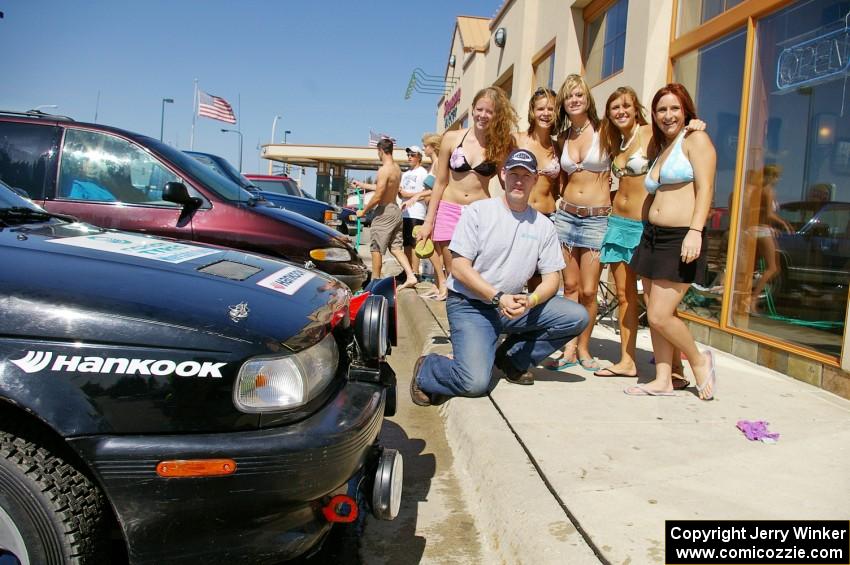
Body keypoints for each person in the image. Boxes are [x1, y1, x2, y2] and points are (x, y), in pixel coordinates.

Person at [409, 149, 589, 405]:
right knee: (474, 383)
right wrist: (497, 297)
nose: (518, 181)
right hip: (471, 306)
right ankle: (429, 367)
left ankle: (512, 359)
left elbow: (552, 279)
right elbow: (459, 266)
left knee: (576, 316)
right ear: (503, 175)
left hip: (512, 306)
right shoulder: (478, 212)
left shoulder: (543, 226)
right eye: (513, 173)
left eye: (525, 176)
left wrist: (532, 300)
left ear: (535, 179)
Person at [595, 86, 702, 389]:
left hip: (644, 226)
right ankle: (627, 361)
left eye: (626, 105)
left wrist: (695, 124)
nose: (621, 111)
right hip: (617, 223)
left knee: (660, 303)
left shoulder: (649, 134)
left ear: (638, 108)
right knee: (625, 295)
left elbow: (680, 138)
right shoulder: (615, 141)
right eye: (614, 107)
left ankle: (678, 367)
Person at [626, 83, 717, 399]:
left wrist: (695, 231)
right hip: (652, 237)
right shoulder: (660, 147)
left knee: (659, 314)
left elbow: (705, 189)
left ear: (686, 110)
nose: (668, 115)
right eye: (662, 109)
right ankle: (664, 377)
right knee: (655, 313)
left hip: (680, 237)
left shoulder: (696, 139)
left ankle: (698, 360)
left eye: (675, 108)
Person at [417, 87, 517, 277]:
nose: (483, 115)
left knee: (476, 272)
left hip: (479, 213)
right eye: (480, 109)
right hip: (449, 210)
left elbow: (507, 184)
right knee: (453, 272)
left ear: (496, 115)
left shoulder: (500, 145)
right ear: (472, 109)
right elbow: (440, 183)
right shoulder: (452, 138)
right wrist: (428, 222)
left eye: (489, 111)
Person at [550, 74, 611, 371]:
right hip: (566, 217)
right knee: (569, 286)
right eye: (569, 96)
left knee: (589, 290)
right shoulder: (563, 137)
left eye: (579, 94)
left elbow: (641, 137)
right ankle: (569, 348)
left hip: (596, 219)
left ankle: (584, 347)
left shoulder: (605, 131)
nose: (575, 100)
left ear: (588, 98)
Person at [354, 138, 418, 289]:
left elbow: (378, 195)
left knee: (376, 248)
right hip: (396, 210)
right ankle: (411, 275)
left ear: (381, 151)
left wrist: (363, 210)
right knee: (395, 248)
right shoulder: (396, 168)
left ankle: (374, 283)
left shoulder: (383, 170)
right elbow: (384, 187)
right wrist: (362, 185)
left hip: (384, 212)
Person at [742, 164, 791, 314]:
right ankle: (753, 299)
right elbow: (769, 214)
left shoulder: (757, 190)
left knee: (752, 268)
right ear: (773, 177)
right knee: (774, 268)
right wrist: (784, 223)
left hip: (754, 230)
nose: (779, 179)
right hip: (762, 231)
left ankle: (742, 298)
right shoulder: (769, 191)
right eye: (777, 176)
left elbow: (759, 213)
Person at [514, 87, 561, 217]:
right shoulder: (515, 140)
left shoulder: (557, 147)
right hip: (518, 213)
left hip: (548, 215)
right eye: (540, 109)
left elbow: (559, 186)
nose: (546, 113)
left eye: (551, 109)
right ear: (532, 112)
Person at [416, 133, 449, 300]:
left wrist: (416, 196)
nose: (423, 148)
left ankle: (443, 283)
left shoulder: (439, 163)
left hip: (437, 210)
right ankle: (438, 285)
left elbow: (439, 187)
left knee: (429, 246)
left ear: (434, 147)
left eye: (425, 145)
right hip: (431, 209)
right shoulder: (434, 164)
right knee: (434, 248)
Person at [399, 145, 429, 275]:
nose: (410, 157)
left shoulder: (423, 173)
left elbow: (427, 192)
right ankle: (408, 271)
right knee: (405, 243)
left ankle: (415, 271)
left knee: (414, 243)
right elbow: (402, 192)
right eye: (408, 155)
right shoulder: (405, 174)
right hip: (405, 212)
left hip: (417, 212)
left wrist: (407, 195)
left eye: (413, 155)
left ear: (419, 157)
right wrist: (401, 193)